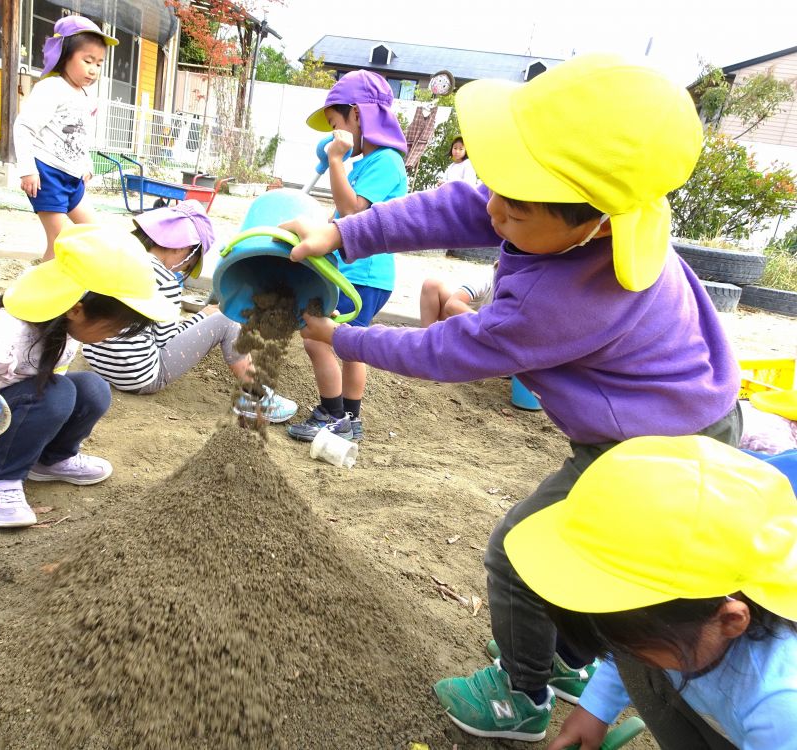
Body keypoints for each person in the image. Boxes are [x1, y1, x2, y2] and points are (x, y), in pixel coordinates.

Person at [281, 53, 743, 741]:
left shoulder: (565, 301)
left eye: (516, 208)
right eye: (500, 189)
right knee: (588, 555)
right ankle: (562, 659)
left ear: (602, 223)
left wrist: (343, 337)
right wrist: (347, 231)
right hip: (687, 412)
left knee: (521, 553)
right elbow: (466, 204)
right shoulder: (599, 202)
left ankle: (522, 696)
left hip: (654, 450)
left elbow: (447, 351)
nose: (494, 211)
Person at [502, 435, 797, 750]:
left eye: (634, 644)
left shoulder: (781, 704)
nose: (620, 652)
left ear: (730, 620)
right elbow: (631, 644)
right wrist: (594, 710)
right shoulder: (681, 625)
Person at [0, 223, 177, 529]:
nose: (115, 335)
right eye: (112, 327)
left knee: (93, 387)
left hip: (19, 416)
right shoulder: (3, 333)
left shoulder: (65, 328)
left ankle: (50, 460)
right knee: (57, 392)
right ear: (77, 310)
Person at [81, 201, 297, 422]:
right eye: (187, 265)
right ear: (180, 247)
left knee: (210, 318)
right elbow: (166, 341)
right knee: (226, 321)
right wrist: (203, 320)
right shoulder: (165, 279)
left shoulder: (117, 258)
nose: (181, 269)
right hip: (138, 377)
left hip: (99, 365)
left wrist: (200, 317)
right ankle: (257, 396)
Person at [286, 69, 408, 444]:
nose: (334, 134)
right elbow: (342, 215)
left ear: (358, 114)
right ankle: (349, 419)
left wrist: (336, 160)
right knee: (352, 346)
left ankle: (333, 412)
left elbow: (353, 211)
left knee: (315, 336)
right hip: (360, 271)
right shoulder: (370, 163)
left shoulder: (386, 162)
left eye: (337, 123)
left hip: (364, 273)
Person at [14, 16, 117, 261]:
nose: (94, 70)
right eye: (87, 60)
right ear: (65, 56)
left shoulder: (84, 95)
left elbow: (81, 136)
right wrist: (27, 170)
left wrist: (86, 165)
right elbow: (24, 127)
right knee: (60, 242)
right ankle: (44, 293)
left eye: (99, 63)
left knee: (95, 234)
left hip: (72, 179)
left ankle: (51, 287)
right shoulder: (51, 89)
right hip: (47, 176)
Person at [419, 263, 495, 327]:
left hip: (483, 332)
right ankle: (426, 339)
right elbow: (452, 304)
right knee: (431, 285)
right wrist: (484, 319)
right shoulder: (486, 277)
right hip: (467, 322)